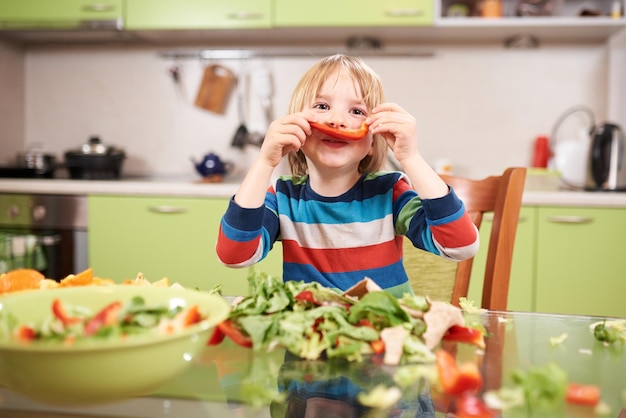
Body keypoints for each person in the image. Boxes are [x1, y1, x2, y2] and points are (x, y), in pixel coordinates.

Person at [216, 54, 478, 298]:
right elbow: (234, 256)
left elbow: (461, 247)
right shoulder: (283, 197)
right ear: (296, 127)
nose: (337, 121)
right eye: (322, 106)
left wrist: (410, 158)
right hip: (310, 339)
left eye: (357, 111)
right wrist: (265, 161)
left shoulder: (390, 192)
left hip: (384, 336)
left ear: (373, 141)